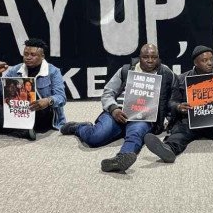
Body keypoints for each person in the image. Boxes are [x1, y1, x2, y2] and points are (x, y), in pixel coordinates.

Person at [60, 44, 175, 173]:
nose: (150, 60)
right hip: (117, 113)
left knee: (135, 134)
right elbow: (108, 92)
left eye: (154, 57)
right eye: (145, 57)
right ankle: (78, 127)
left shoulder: (166, 74)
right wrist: (114, 109)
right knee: (95, 138)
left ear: (158, 58)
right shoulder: (126, 70)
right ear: (139, 57)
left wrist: (170, 120)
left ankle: (121, 159)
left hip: (143, 116)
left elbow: (173, 98)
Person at [0, 38, 66, 140]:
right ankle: (22, 130)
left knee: (41, 108)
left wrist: (48, 101)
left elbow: (61, 97)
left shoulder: (53, 71)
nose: (28, 57)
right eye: (25, 54)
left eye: (32, 55)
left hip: (40, 111)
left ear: (42, 56)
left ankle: (7, 127)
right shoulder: (16, 70)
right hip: (19, 111)